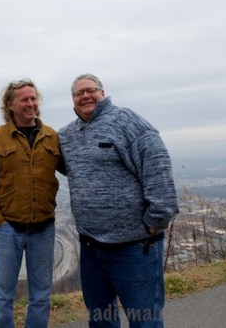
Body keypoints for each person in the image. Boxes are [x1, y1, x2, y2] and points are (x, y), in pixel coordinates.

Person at [58, 73, 179, 328]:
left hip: (134, 245)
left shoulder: (127, 121)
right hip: (91, 246)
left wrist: (157, 219)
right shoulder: (68, 135)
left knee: (144, 318)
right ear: (73, 101)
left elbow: (157, 167)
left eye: (90, 90)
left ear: (103, 93)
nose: (85, 96)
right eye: (78, 93)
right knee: (101, 318)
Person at [0, 78, 63, 328]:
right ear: (10, 104)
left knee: (41, 294)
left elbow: (75, 168)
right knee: (3, 294)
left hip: (44, 229)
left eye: (34, 98)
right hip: (8, 229)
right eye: (24, 99)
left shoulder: (51, 137)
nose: (31, 103)